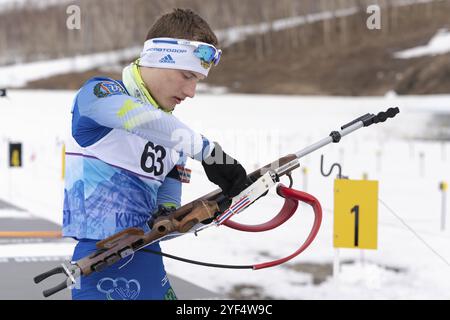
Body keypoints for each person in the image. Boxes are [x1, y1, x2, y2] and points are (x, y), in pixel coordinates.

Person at [62, 8, 250, 300]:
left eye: (198, 80)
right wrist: (209, 152)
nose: (191, 92)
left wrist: (202, 212)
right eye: (187, 76)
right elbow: (139, 119)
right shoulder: (97, 93)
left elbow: (164, 213)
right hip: (99, 267)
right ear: (157, 59)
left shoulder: (174, 134)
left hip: (149, 263)